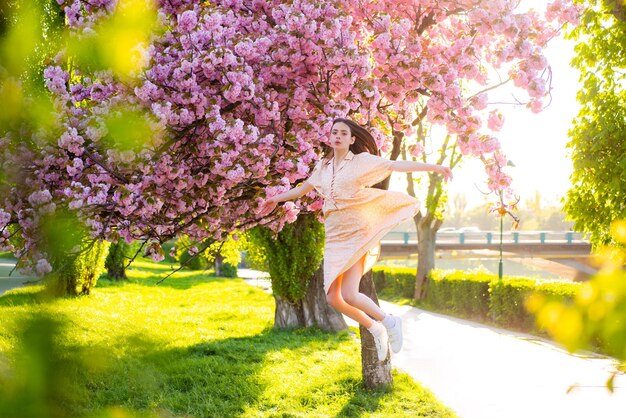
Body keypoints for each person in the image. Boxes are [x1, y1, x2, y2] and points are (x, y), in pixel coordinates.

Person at [257, 118, 452, 361]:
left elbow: (395, 165)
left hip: (356, 231)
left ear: (352, 139)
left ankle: (389, 322)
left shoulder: (361, 162)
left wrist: (434, 168)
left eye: (343, 133)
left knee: (349, 294)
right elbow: (300, 190)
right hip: (335, 235)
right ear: (330, 137)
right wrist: (275, 199)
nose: (337, 136)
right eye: (334, 132)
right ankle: (377, 327)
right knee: (333, 298)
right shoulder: (323, 167)